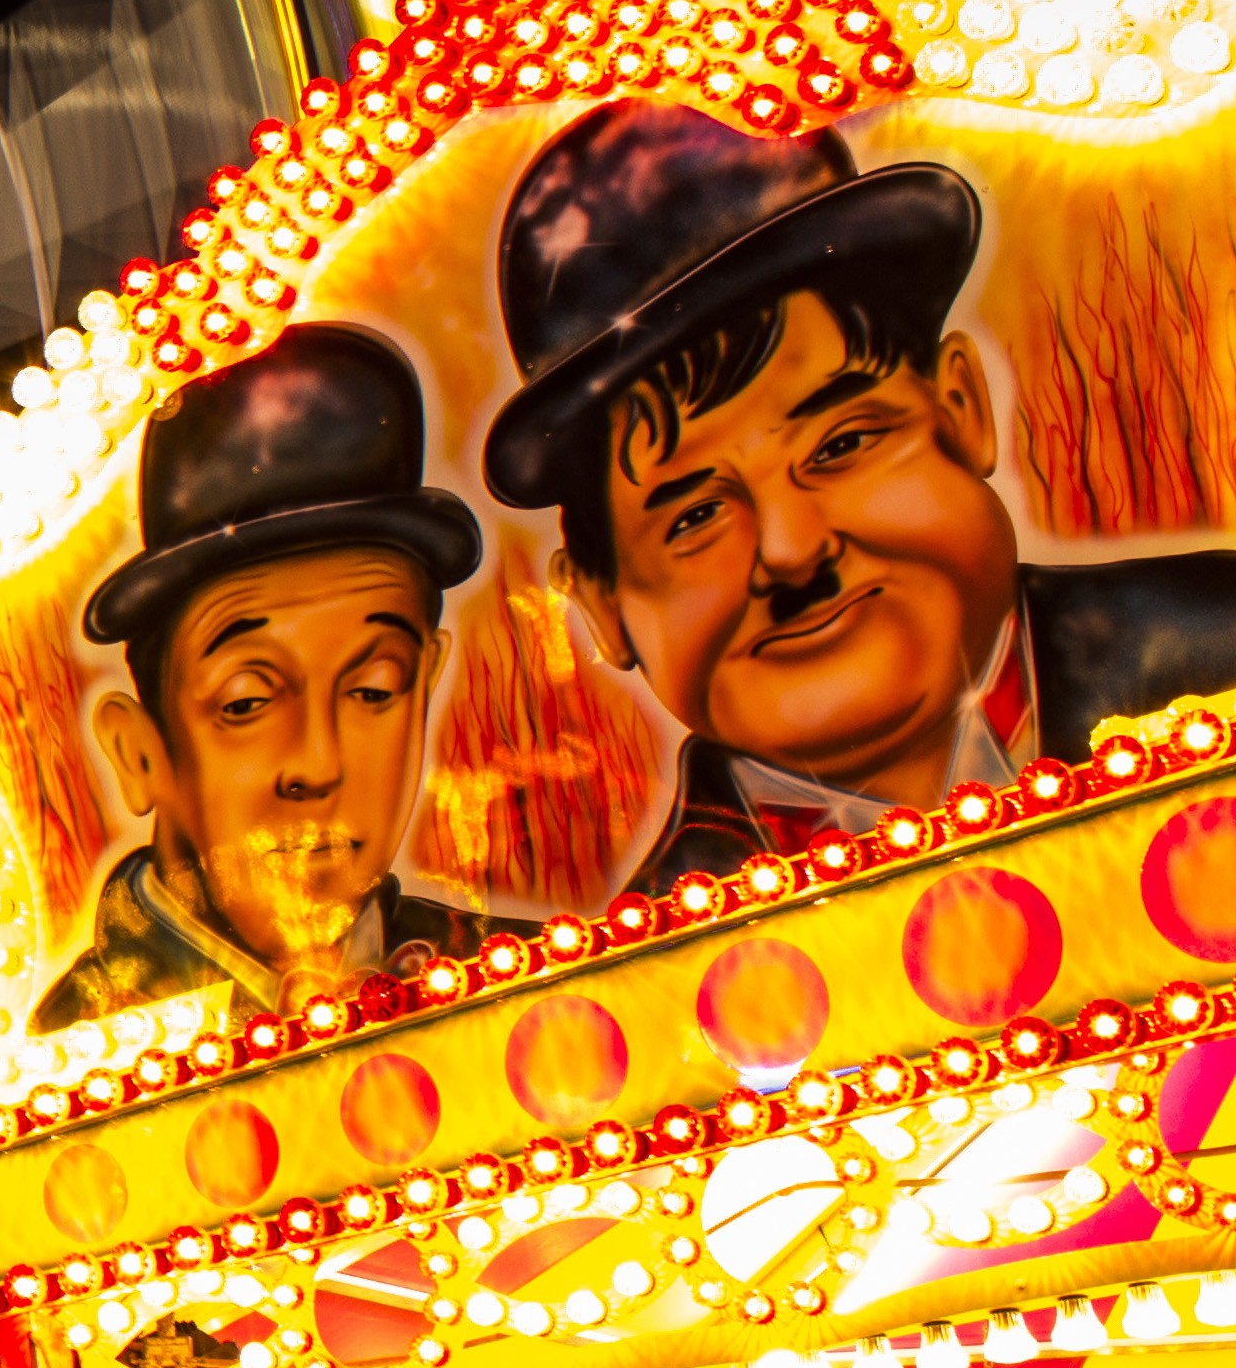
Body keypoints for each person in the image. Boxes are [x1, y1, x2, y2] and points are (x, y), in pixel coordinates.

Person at [478, 101, 1236, 890]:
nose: (791, 550)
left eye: (841, 446)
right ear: (602, 604)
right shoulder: (637, 976)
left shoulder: (1217, 649)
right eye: (695, 515)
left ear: (961, 409)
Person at [40, 322, 499, 1026]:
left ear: (426, 684)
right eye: (247, 702)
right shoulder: (64, 1060)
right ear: (138, 752)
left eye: (374, 689)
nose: (315, 764)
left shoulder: (528, 980)